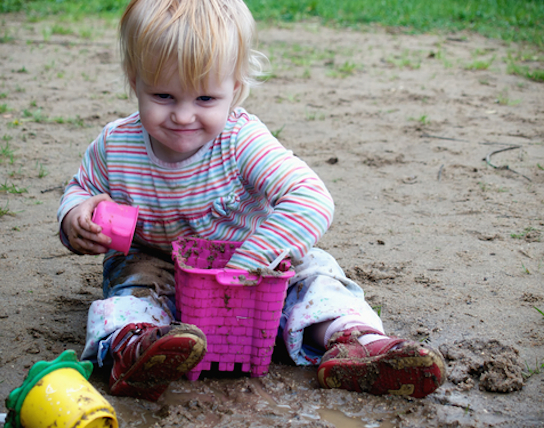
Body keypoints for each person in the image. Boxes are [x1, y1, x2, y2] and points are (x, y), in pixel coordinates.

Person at [58, 0, 446, 402]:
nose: (184, 116)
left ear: (235, 90)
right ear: (134, 80)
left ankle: (354, 340)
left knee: (315, 275)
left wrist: (248, 262)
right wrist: (75, 218)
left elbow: (310, 199)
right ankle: (137, 349)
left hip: (258, 275)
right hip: (158, 264)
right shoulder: (116, 146)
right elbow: (81, 189)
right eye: (163, 96)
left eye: (206, 99)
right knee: (132, 289)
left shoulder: (241, 142)